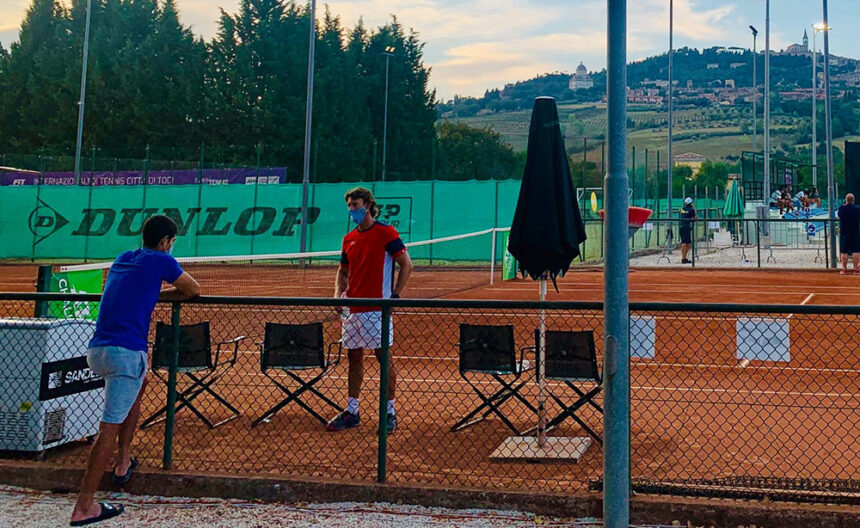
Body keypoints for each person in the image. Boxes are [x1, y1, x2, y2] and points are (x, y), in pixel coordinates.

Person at [70, 215, 201, 526]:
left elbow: (131, 292)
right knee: (107, 430)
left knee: (138, 387)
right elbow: (194, 290)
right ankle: (84, 506)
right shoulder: (162, 260)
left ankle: (124, 458)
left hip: (98, 350)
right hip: (125, 354)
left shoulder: (123, 258)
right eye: (172, 242)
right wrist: (165, 295)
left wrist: (152, 297)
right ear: (165, 242)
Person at [328, 187, 413, 433]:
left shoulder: (386, 232)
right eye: (349, 206)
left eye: (355, 205)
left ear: (368, 205)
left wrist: (395, 297)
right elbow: (343, 271)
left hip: (378, 309)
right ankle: (352, 410)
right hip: (352, 310)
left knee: (383, 357)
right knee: (353, 357)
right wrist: (337, 296)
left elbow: (406, 265)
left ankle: (389, 413)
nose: (352, 210)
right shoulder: (349, 238)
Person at [837, 193, 860, 275]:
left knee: (844, 251)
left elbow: (838, 216)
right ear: (853, 200)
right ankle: (855, 269)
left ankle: (844, 269)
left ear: (846, 200)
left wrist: (845, 205)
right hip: (855, 232)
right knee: (856, 251)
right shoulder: (857, 209)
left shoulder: (841, 209)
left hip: (844, 232)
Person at [679, 197, 696, 264]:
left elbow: (683, 215)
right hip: (687, 227)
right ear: (691, 203)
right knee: (686, 244)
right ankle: (683, 258)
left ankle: (684, 258)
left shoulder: (682, 209)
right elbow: (695, 218)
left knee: (685, 243)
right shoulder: (691, 210)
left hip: (681, 227)